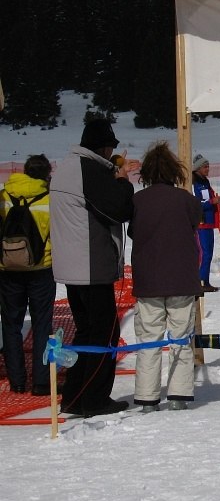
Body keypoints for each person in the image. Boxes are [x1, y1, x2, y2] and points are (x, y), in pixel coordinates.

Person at [50, 119, 136, 417]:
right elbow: (119, 209)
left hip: (73, 265)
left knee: (87, 332)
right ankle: (95, 399)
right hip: (90, 266)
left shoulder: (69, 167)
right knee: (104, 334)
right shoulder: (88, 170)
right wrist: (123, 182)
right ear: (103, 147)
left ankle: (75, 396)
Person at [129, 142, 202, 412]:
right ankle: (178, 395)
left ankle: (147, 398)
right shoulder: (187, 200)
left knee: (149, 339)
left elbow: (133, 231)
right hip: (182, 279)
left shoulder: (137, 201)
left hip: (148, 280)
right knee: (181, 339)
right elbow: (195, 223)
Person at [0, 154, 56, 395]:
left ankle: (17, 380)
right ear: (47, 174)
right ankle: (41, 381)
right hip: (42, 268)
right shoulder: (50, 199)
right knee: (42, 323)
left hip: (8, 269)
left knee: (11, 324)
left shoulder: (4, 195)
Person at [192, 154, 220, 293]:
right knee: (204, 253)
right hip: (201, 223)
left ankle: (205, 280)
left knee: (208, 253)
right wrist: (211, 202)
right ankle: (200, 281)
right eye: (205, 166)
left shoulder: (205, 182)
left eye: (208, 166)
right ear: (198, 168)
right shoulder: (194, 183)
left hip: (208, 222)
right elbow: (195, 203)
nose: (207, 169)